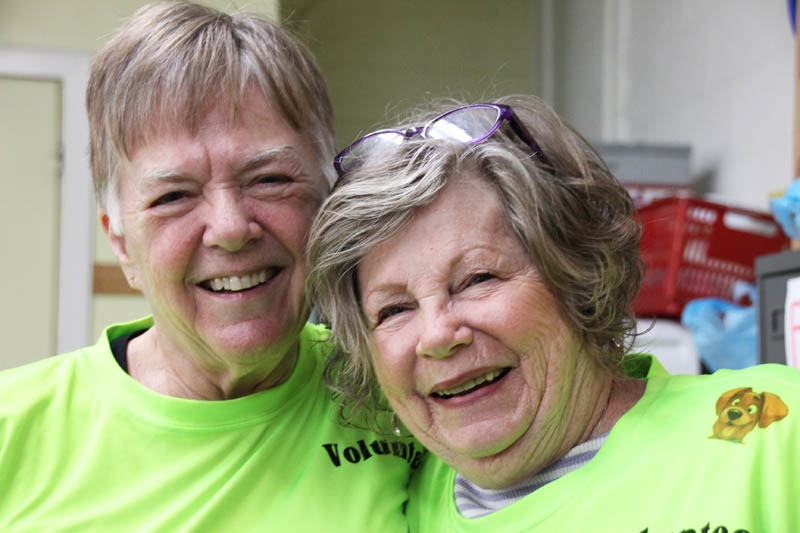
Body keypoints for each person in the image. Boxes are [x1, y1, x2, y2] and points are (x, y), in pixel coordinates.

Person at [0, 2, 419, 530]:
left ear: (327, 203)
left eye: (269, 179)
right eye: (174, 195)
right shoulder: (13, 433)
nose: (229, 227)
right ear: (122, 244)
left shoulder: (406, 390)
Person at [306, 94, 800, 532]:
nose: (437, 335)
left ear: (577, 276)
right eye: (394, 309)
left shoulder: (776, 438)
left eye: (478, 279)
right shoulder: (393, 506)